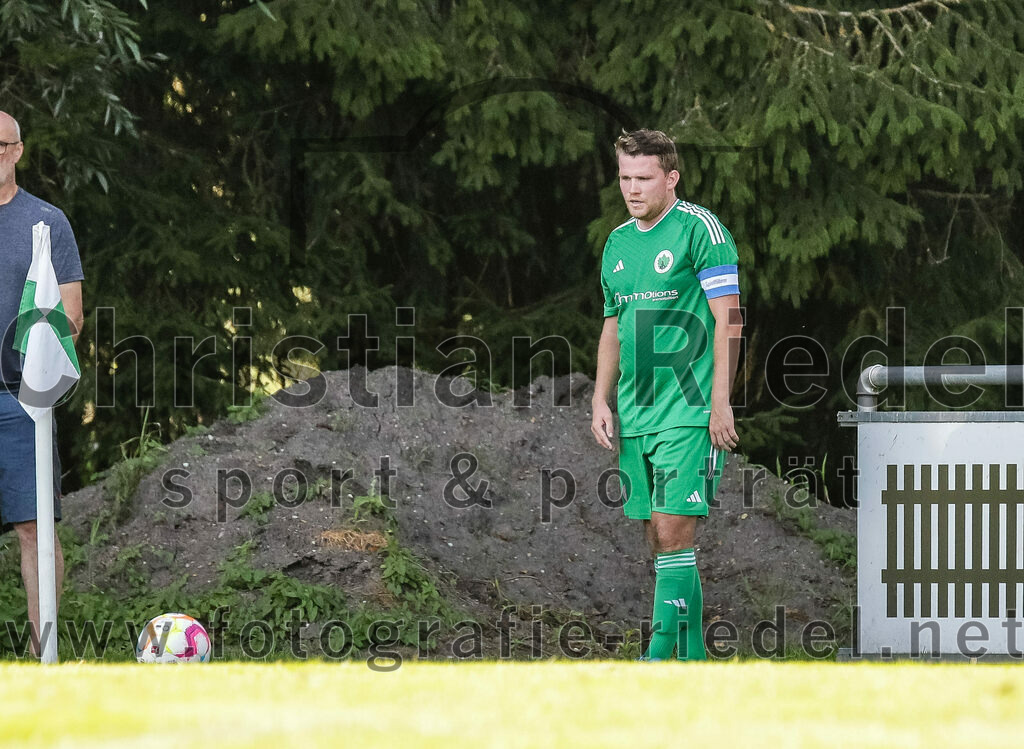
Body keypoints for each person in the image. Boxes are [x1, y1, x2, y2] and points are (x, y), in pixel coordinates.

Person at [591, 129, 743, 660]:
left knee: (673, 532)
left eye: (644, 178)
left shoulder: (700, 228)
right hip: (637, 413)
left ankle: (655, 662)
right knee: (659, 541)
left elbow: (729, 318)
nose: (632, 189)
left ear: (670, 178)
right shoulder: (616, 243)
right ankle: (695, 662)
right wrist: (599, 398)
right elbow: (613, 324)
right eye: (625, 178)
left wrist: (721, 402)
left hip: (690, 408)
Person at [0, 111, 84, 656]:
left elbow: (71, 316)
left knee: (34, 532)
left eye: (1, 144)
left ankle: (44, 659)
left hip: (19, 402)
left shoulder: (46, 223)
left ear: (18, 150)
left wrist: (37, 362)